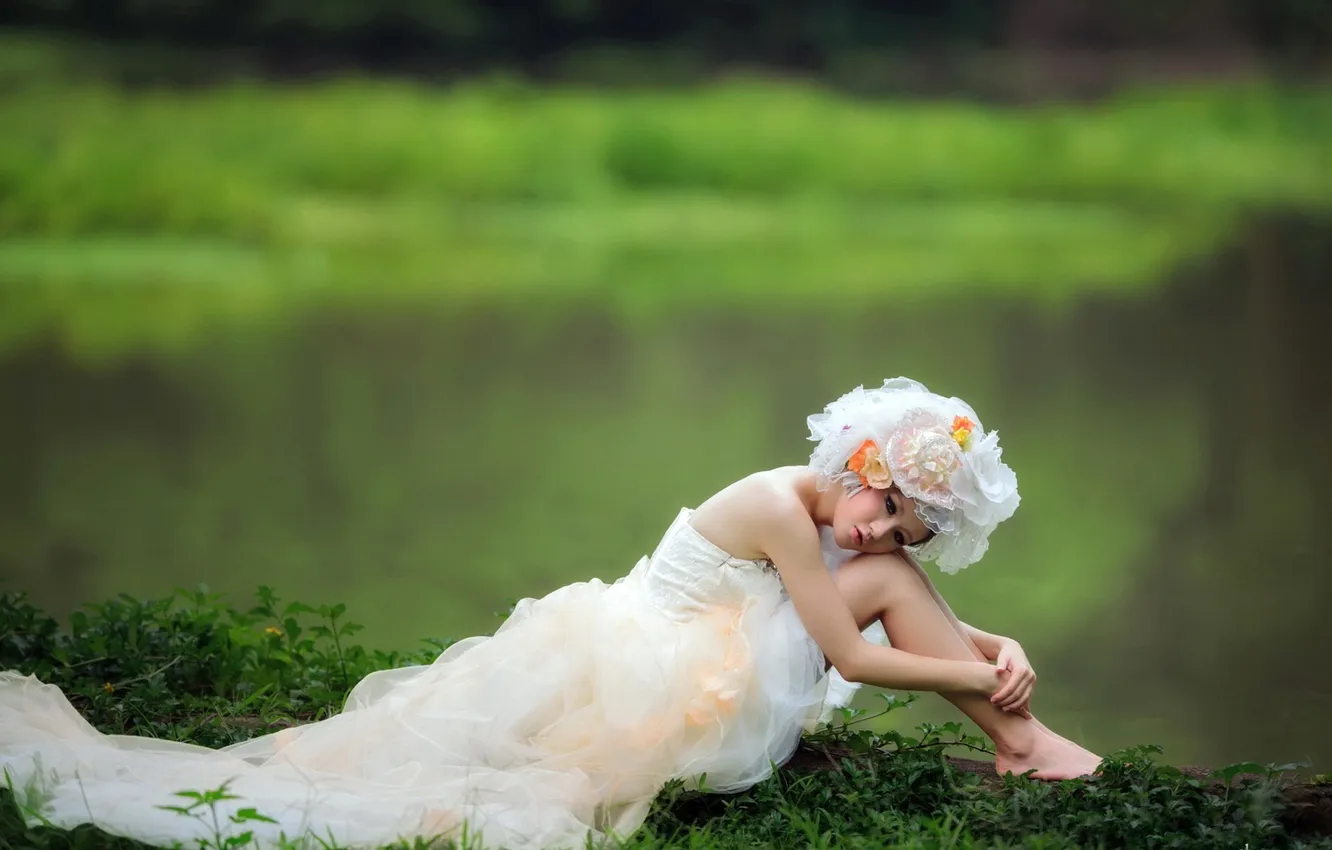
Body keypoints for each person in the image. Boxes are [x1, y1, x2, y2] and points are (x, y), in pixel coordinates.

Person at [0, 378, 1100, 850]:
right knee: (893, 604)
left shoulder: (847, 535)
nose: (873, 531)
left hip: (703, 656)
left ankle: (1022, 739)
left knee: (906, 600)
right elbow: (843, 651)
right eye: (881, 504)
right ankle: (1027, 746)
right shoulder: (778, 503)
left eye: (903, 527)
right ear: (857, 463)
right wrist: (977, 669)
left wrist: (1002, 647)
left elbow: (894, 601)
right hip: (662, 669)